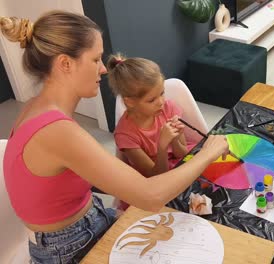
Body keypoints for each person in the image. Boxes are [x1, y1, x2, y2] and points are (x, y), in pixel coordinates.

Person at [0, 10, 229, 263]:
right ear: (66, 64)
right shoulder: (56, 130)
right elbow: (150, 196)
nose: (103, 69)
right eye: (95, 59)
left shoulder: (36, 107)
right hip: (69, 246)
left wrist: (124, 176)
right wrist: (208, 153)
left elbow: (62, 182)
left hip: (87, 218)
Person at [107, 54, 195, 176]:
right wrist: (162, 146)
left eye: (162, 93)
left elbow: (182, 154)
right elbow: (156, 176)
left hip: (178, 165)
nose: (161, 102)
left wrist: (174, 139)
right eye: (151, 100)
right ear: (130, 102)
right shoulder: (126, 135)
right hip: (157, 177)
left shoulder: (168, 108)